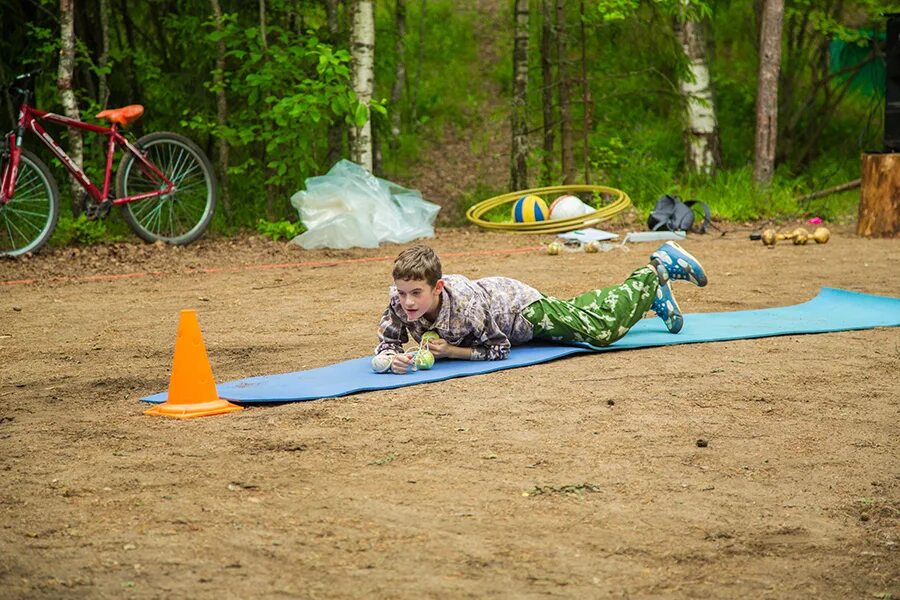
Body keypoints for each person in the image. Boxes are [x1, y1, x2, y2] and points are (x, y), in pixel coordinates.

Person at [375, 242, 707, 374]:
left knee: (601, 329)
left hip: (522, 309)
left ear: (437, 287)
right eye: (403, 293)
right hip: (508, 310)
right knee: (580, 311)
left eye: (416, 293)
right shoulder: (399, 301)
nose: (408, 302)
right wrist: (394, 360)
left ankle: (654, 270)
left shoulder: (466, 305)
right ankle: (652, 297)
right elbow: (387, 344)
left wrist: (451, 352)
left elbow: (499, 349)